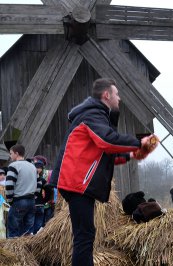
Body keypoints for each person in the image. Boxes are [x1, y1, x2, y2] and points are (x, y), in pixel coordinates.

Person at [49, 78, 158, 266]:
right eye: (117, 94)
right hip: (77, 182)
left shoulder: (94, 116)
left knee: (85, 234)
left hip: (77, 182)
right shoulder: (92, 115)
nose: (120, 99)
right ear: (106, 95)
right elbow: (107, 140)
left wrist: (132, 154)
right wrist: (138, 142)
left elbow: (105, 154)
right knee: (84, 236)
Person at [5, 144, 37, 238]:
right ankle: (28, 252)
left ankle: (13, 253)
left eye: (11, 153)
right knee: (27, 234)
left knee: (13, 232)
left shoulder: (14, 166)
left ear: (16, 153)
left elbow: (9, 186)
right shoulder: (32, 167)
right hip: (31, 201)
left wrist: (10, 201)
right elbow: (37, 183)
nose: (10, 156)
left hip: (19, 201)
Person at [33, 155, 55, 226]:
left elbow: (51, 188)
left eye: (36, 162)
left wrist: (48, 199)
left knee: (46, 222)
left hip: (45, 202)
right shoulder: (35, 175)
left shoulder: (50, 173)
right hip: (41, 202)